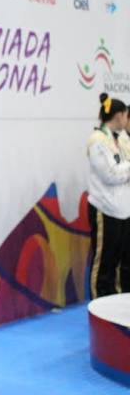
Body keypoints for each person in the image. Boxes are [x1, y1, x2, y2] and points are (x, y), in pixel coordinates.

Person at [86, 93, 130, 298]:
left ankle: (115, 303)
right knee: (103, 262)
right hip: (104, 209)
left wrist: (125, 169)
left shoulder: (119, 139)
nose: (126, 120)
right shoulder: (97, 140)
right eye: (126, 115)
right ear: (119, 116)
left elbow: (123, 168)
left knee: (118, 262)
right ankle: (97, 303)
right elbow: (110, 174)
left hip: (122, 209)